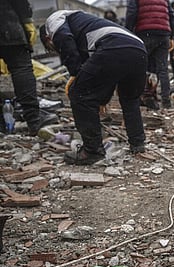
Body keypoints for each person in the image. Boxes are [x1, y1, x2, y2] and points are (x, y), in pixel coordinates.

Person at [40, 10, 147, 165]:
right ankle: (137, 143)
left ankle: (92, 151)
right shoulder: (82, 26)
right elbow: (101, 75)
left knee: (78, 94)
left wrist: (75, 75)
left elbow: (65, 41)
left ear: (47, 38)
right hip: (138, 48)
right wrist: (101, 99)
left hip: (114, 45)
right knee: (130, 99)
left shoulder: (54, 20)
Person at [0, 0, 58, 135]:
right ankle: (34, 121)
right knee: (21, 68)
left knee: (21, 68)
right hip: (7, 24)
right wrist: (26, 21)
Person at [125, 0, 174, 109]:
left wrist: (127, 31)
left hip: (145, 32)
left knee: (140, 66)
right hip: (163, 33)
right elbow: (171, 13)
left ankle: (138, 98)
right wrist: (171, 35)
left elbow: (131, 12)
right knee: (163, 69)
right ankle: (166, 102)